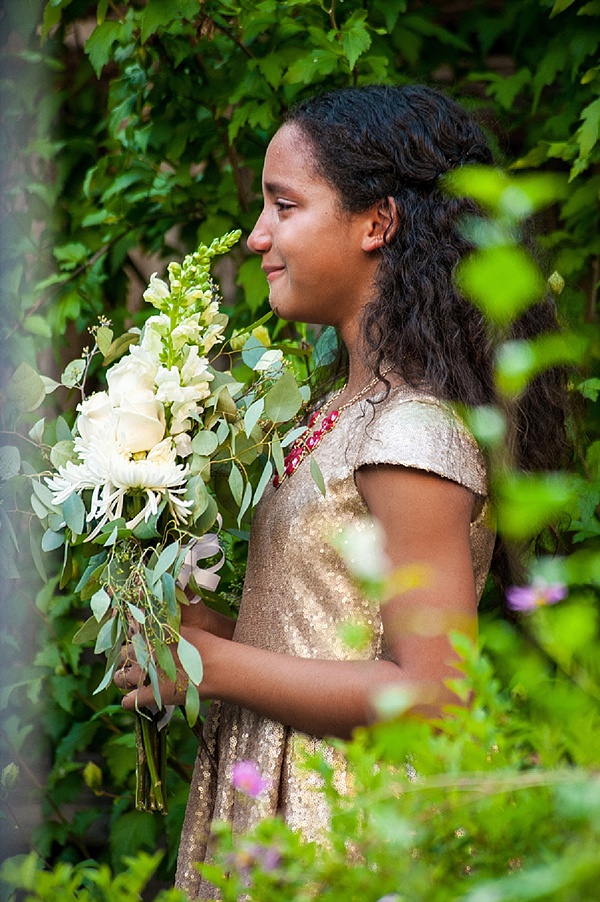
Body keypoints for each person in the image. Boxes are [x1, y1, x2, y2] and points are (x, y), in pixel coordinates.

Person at [115, 84, 567, 899]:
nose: (257, 236)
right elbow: (320, 632)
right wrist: (192, 634)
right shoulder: (336, 414)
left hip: (350, 835)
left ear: (377, 223)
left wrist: (212, 665)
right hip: (278, 808)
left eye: (283, 205)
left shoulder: (412, 433)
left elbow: (432, 698)